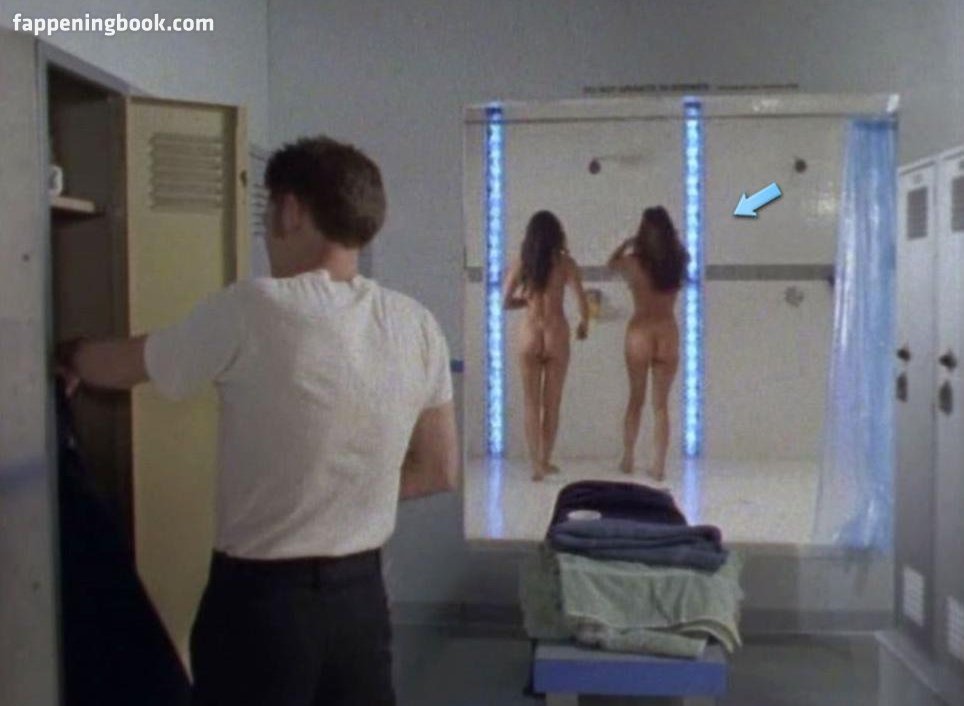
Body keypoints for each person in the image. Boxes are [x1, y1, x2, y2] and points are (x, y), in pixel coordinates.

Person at [57, 136, 459, 706]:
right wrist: (340, 494)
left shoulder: (254, 308)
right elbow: (439, 468)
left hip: (264, 608)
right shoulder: (416, 324)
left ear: (290, 210)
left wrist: (68, 355)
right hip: (362, 605)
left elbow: (125, 366)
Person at [503, 211, 590, 481]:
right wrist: (584, 324)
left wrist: (525, 302)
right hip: (556, 334)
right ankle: (545, 459)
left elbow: (505, 301)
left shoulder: (522, 263)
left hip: (529, 333)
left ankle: (535, 467)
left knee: (531, 403)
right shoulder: (565, 264)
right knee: (552, 403)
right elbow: (582, 302)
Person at [607, 206, 690, 481]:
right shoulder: (678, 260)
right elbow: (683, 253)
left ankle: (628, 458)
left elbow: (611, 264)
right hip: (667, 331)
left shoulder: (632, 262)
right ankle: (658, 466)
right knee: (661, 405)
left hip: (640, 332)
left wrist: (627, 243)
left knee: (636, 399)